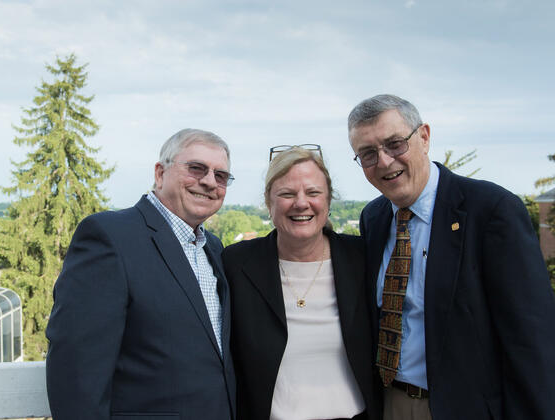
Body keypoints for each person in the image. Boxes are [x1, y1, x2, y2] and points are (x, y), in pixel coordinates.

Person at [347, 94, 555, 420]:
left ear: (424, 137)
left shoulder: (491, 211)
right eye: (368, 154)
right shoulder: (373, 218)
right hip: (390, 404)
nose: (385, 161)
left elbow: (531, 341)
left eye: (395, 144)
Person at [46, 128, 236, 420]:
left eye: (220, 176)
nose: (210, 182)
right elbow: (76, 371)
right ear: (160, 173)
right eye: (196, 168)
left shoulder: (213, 248)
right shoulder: (110, 237)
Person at [222, 145, 383, 420]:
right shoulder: (236, 264)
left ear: (329, 200)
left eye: (313, 192)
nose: (301, 203)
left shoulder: (363, 258)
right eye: (286, 193)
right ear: (268, 202)